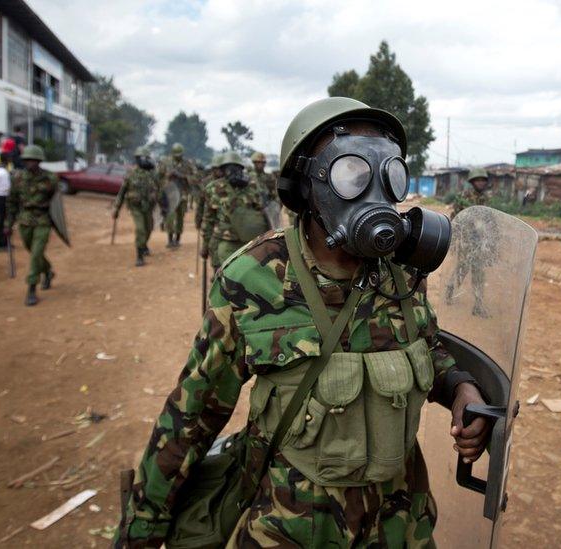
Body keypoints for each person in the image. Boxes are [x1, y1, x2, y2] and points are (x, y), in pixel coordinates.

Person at [116, 97, 488, 548]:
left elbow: (425, 347)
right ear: (305, 186)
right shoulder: (252, 277)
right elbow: (191, 415)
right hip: (292, 529)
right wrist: (144, 525)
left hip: (399, 526)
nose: (374, 194)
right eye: (351, 174)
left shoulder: (403, 272)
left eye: (388, 174)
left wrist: (460, 387)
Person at [6, 145, 59, 306]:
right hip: (25, 219)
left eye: (34, 160)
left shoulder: (50, 178)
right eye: (27, 160)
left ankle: (31, 288)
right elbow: (12, 202)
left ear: (39, 161)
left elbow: (55, 202)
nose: (30, 163)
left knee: (36, 253)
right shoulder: (18, 178)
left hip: (42, 219)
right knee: (33, 251)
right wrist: (8, 224)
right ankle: (48, 271)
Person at [199, 151, 264, 274]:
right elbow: (208, 220)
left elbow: (261, 214)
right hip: (225, 241)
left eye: (235, 168)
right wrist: (206, 245)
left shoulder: (252, 186)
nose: (232, 171)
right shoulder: (213, 188)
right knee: (224, 277)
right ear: (223, 170)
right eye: (228, 168)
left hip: (249, 242)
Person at [446, 168, 496, 318]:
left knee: (479, 273)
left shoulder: (486, 199)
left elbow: (490, 220)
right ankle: (450, 288)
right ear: (472, 181)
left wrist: (493, 240)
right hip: (466, 242)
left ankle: (478, 305)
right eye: (478, 180)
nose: (481, 182)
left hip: (480, 243)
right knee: (462, 269)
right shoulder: (464, 197)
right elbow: (456, 218)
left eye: (483, 180)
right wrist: (455, 240)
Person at [113, 147, 161, 267]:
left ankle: (143, 245)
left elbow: (159, 190)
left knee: (149, 228)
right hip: (136, 207)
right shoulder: (131, 174)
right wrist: (116, 208)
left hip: (148, 207)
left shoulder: (153, 174)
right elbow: (122, 192)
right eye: (143, 158)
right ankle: (139, 256)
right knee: (140, 229)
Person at [157, 142, 196, 249]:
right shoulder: (165, 162)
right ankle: (170, 239)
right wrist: (167, 175)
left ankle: (177, 239)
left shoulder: (187, 164)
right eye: (176, 155)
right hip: (170, 195)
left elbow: (195, 178)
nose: (178, 157)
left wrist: (181, 176)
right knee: (170, 217)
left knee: (180, 218)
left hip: (183, 195)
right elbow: (158, 176)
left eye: (180, 155)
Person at [194, 153, 224, 258]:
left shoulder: (228, 182)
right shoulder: (206, 182)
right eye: (216, 169)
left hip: (223, 219)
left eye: (220, 168)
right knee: (209, 242)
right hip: (210, 217)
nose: (218, 171)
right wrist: (198, 220)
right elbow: (200, 204)